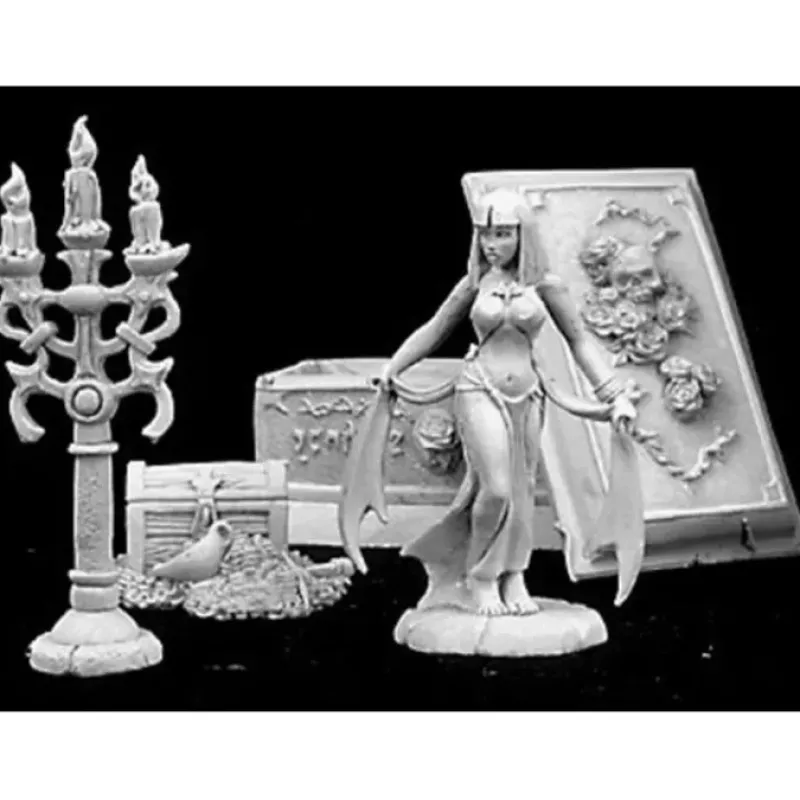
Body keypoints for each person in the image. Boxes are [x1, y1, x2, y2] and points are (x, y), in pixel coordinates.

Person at [341, 187, 641, 616]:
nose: (490, 244)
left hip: (529, 393)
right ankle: (481, 574)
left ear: (523, 234)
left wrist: (614, 396)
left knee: (521, 488)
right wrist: (394, 367)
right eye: (484, 233)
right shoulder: (475, 284)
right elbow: (435, 328)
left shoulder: (546, 286)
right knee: (496, 488)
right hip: (479, 387)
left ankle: (514, 574)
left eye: (501, 233)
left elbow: (580, 342)